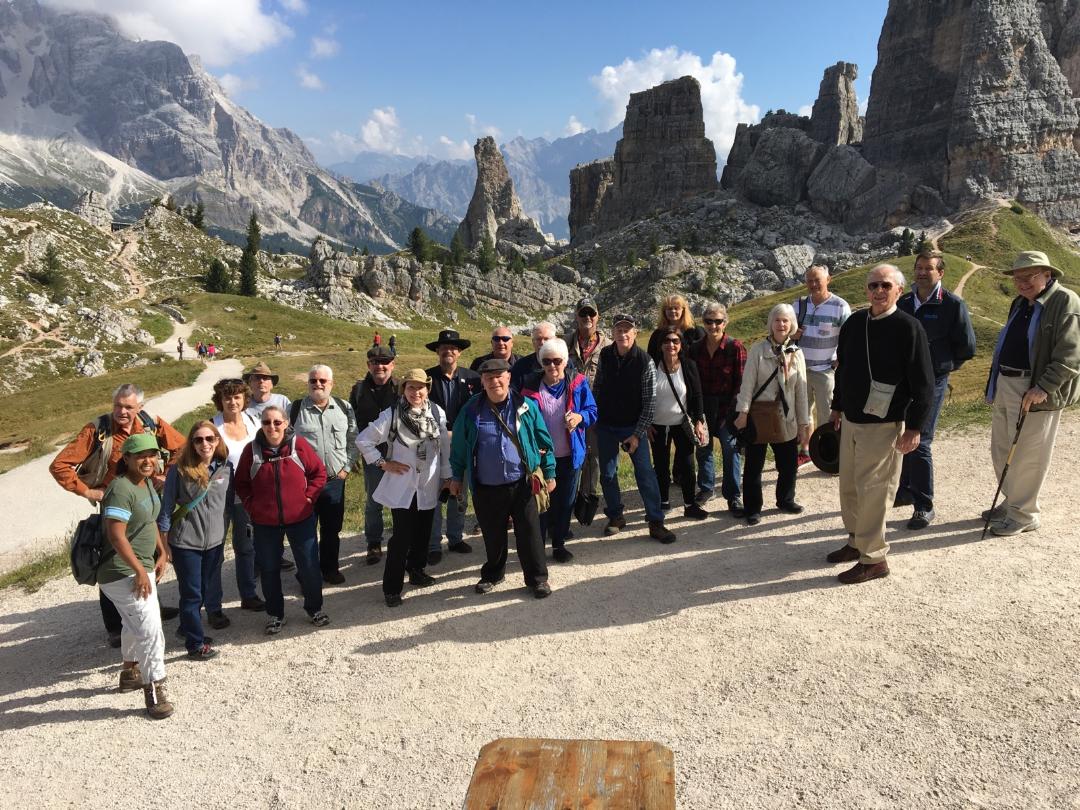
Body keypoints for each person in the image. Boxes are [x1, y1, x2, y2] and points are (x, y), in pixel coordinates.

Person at [49, 383, 185, 647]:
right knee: (112, 559)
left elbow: (181, 448)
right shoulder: (97, 430)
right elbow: (59, 466)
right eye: (117, 406)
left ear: (140, 408)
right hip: (114, 504)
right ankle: (115, 625)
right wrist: (87, 491)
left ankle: (149, 605)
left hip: (145, 498)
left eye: (128, 407)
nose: (121, 412)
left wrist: (163, 476)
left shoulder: (151, 423)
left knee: (148, 552)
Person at [826, 264, 934, 584]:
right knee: (850, 486)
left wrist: (914, 428)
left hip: (885, 423)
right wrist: (836, 407)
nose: (878, 291)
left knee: (874, 491)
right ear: (866, 290)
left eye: (886, 285)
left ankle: (874, 558)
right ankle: (856, 541)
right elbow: (843, 370)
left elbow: (923, 384)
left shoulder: (909, 327)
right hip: (852, 420)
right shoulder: (854, 323)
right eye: (873, 285)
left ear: (899, 290)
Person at [983, 250, 1080, 536]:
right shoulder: (1021, 302)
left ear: (1047, 275)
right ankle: (1012, 501)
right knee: (1001, 447)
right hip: (1007, 383)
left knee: (1028, 454)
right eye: (1018, 277)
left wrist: (1044, 387)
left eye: (1029, 276)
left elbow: (1071, 355)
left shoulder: (1065, 301)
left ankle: (1024, 514)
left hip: (1035, 389)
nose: (1022, 282)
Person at [449, 358, 555, 598]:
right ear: (482, 382)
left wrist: (549, 472)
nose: (494, 381)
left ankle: (537, 579)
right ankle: (493, 574)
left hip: (522, 482)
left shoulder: (526, 406)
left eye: (499, 376)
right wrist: (456, 476)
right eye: (488, 378)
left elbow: (544, 441)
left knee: (530, 533)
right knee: (493, 533)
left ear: (508, 378)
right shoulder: (470, 410)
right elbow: (458, 448)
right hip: (486, 485)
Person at [894, 250, 976, 529]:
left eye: (928, 269)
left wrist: (941, 368)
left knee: (920, 440)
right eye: (918, 268)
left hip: (933, 382)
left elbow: (967, 347)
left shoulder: (953, 304)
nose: (921, 273)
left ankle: (924, 505)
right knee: (899, 434)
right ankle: (904, 489)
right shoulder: (903, 302)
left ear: (940, 273)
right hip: (902, 381)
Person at [356, 369, 450, 607]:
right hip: (404, 486)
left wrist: (447, 477)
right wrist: (383, 463)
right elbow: (363, 440)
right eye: (410, 387)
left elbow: (444, 448)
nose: (415, 392)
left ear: (427, 389)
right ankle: (392, 588)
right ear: (403, 389)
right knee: (401, 538)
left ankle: (417, 571)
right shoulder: (392, 415)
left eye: (420, 387)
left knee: (423, 533)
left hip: (428, 484)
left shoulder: (437, 412)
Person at [234, 405, 330, 634]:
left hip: (301, 518)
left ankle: (314, 609)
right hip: (265, 523)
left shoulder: (298, 445)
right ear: (261, 425)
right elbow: (241, 483)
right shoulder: (252, 450)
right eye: (266, 423)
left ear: (286, 423)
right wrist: (252, 506)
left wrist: (309, 497)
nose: (272, 427)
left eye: (277, 422)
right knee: (269, 569)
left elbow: (319, 472)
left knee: (309, 566)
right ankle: (275, 614)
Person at [99, 432, 173, 720]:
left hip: (139, 566)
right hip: (120, 571)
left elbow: (150, 518)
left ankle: (130, 672)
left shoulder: (146, 485)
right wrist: (140, 570)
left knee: (136, 621)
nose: (147, 460)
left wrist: (161, 550)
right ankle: (154, 691)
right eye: (140, 455)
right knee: (150, 628)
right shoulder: (120, 489)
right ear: (126, 458)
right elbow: (115, 535)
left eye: (152, 454)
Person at [593, 313, 676, 543]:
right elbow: (598, 387)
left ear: (635, 333)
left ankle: (656, 522)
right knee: (608, 475)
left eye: (627, 329)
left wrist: (638, 434)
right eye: (619, 330)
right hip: (607, 425)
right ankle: (616, 516)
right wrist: (595, 418)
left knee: (645, 474)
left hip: (632, 426)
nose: (623, 334)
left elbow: (650, 402)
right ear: (613, 333)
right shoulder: (606, 355)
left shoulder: (644, 360)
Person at [157, 421, 232, 660]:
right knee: (191, 594)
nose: (205, 444)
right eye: (198, 440)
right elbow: (166, 508)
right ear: (191, 443)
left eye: (210, 439)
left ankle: (188, 628)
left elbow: (228, 504)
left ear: (217, 441)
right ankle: (195, 645)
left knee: (206, 588)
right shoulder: (179, 470)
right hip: (186, 543)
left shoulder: (226, 468)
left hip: (215, 541)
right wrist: (164, 545)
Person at [733, 305, 811, 525]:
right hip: (760, 415)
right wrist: (743, 413)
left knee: (788, 464)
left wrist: (804, 423)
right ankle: (752, 508)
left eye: (786, 320)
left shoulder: (797, 354)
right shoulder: (758, 350)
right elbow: (747, 385)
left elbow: (801, 391)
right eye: (777, 320)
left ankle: (786, 500)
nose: (781, 324)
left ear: (792, 324)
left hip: (786, 417)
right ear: (771, 323)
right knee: (754, 466)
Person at [521, 338, 598, 561]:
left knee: (565, 503)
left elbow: (592, 411)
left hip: (571, 454)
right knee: (542, 503)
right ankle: (538, 546)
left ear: (565, 361)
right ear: (540, 363)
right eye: (547, 361)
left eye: (557, 361)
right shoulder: (529, 386)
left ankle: (558, 544)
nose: (552, 366)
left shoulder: (579, 382)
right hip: (542, 458)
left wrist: (579, 416)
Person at [290, 364, 358, 585]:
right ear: (308, 383)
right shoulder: (296, 408)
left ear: (331, 384)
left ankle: (330, 569)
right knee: (306, 532)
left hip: (334, 481)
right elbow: (285, 444)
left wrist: (346, 469)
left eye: (322, 381)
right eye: (313, 381)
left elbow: (352, 439)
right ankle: (307, 575)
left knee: (332, 530)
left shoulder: (343, 407)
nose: (318, 384)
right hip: (304, 483)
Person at [425, 328, 480, 564]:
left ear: (459, 352)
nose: (449, 351)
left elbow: (477, 411)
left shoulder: (473, 379)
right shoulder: (426, 379)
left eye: (453, 348)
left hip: (462, 447)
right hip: (433, 448)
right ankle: (433, 543)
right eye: (444, 347)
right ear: (438, 351)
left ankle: (456, 537)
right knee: (435, 495)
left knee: (460, 493)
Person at [211, 378, 264, 610]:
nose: (232, 402)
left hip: (247, 495)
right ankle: (213, 605)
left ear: (244, 399)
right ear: (219, 401)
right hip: (218, 498)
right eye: (227, 397)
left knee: (246, 547)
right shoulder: (213, 426)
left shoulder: (254, 422)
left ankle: (249, 594)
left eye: (237, 397)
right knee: (215, 551)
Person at [690, 302, 746, 515]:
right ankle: (706, 489)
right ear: (703, 323)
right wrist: (697, 414)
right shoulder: (695, 349)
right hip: (703, 407)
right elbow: (691, 383)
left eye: (718, 321)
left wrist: (735, 411)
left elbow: (741, 383)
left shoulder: (736, 347)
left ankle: (733, 496)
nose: (713, 326)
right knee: (703, 449)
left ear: (726, 322)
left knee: (731, 449)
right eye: (709, 321)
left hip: (727, 406)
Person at [792, 265, 850, 466]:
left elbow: (848, 337)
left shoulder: (840, 306)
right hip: (799, 370)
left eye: (818, 280)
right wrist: (793, 335)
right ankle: (806, 450)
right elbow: (783, 335)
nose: (814, 284)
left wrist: (841, 359)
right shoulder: (797, 305)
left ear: (828, 280)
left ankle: (830, 453)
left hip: (826, 370)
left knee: (829, 414)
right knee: (803, 412)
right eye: (810, 280)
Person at [650, 326, 709, 520]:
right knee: (660, 465)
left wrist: (699, 421)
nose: (671, 345)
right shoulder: (651, 366)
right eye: (666, 341)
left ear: (681, 344)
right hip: (657, 425)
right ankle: (663, 502)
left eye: (675, 341)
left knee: (687, 465)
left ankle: (690, 504)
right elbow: (641, 396)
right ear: (660, 345)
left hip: (682, 424)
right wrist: (646, 424)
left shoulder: (688, 365)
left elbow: (698, 395)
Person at [350, 345, 399, 565]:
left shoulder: (401, 387)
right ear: (368, 365)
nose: (380, 366)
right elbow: (351, 424)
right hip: (371, 455)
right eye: (375, 362)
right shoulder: (358, 389)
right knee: (373, 501)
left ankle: (401, 539)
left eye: (385, 362)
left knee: (401, 499)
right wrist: (353, 454)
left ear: (392, 365)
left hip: (399, 454)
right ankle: (373, 542)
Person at [565, 297, 611, 520]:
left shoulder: (608, 347)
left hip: (598, 414)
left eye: (591, 314)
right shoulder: (564, 345)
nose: (587, 318)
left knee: (595, 460)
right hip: (569, 415)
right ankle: (567, 506)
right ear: (576, 316)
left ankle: (588, 503)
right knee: (572, 458)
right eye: (583, 314)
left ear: (598, 316)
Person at [510, 321, 575, 391]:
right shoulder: (521, 365)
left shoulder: (565, 362)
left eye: (546, 339)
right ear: (533, 342)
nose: (542, 343)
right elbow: (514, 393)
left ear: (555, 339)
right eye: (538, 339)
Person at [646, 294, 705, 361]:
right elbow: (651, 358)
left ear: (683, 310)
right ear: (664, 311)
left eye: (676, 308)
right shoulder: (657, 334)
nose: (673, 311)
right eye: (669, 308)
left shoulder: (696, 331)